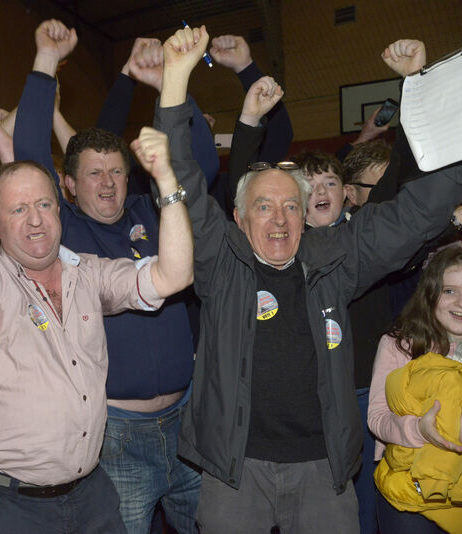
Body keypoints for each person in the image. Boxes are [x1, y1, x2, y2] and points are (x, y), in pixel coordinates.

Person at [155, 32, 462, 533]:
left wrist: (440, 108)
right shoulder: (220, 262)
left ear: (306, 216)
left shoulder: (335, 258)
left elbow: (413, 214)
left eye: (291, 206)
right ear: (236, 216)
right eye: (264, 205)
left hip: (325, 470)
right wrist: (174, 78)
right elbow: (178, 182)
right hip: (235, 473)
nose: (280, 219)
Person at [0, 93, 194, 534]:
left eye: (44, 205)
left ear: (59, 209)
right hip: (11, 507)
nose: (35, 220)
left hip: (92, 495)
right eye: (18, 209)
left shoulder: (86, 273)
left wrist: (166, 179)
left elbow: (175, 274)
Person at [12, 21, 204, 533]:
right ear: (68, 186)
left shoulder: (157, 211)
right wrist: (47, 61)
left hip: (188, 422)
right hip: (117, 432)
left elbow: (198, 165)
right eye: (93, 173)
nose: (107, 183)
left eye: (116, 170)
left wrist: (172, 83)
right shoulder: (63, 232)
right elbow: (29, 150)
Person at [368, 245, 462, 534]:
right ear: (430, 293)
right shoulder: (399, 345)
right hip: (408, 490)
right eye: (449, 291)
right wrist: (418, 431)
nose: (460, 302)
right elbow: (377, 417)